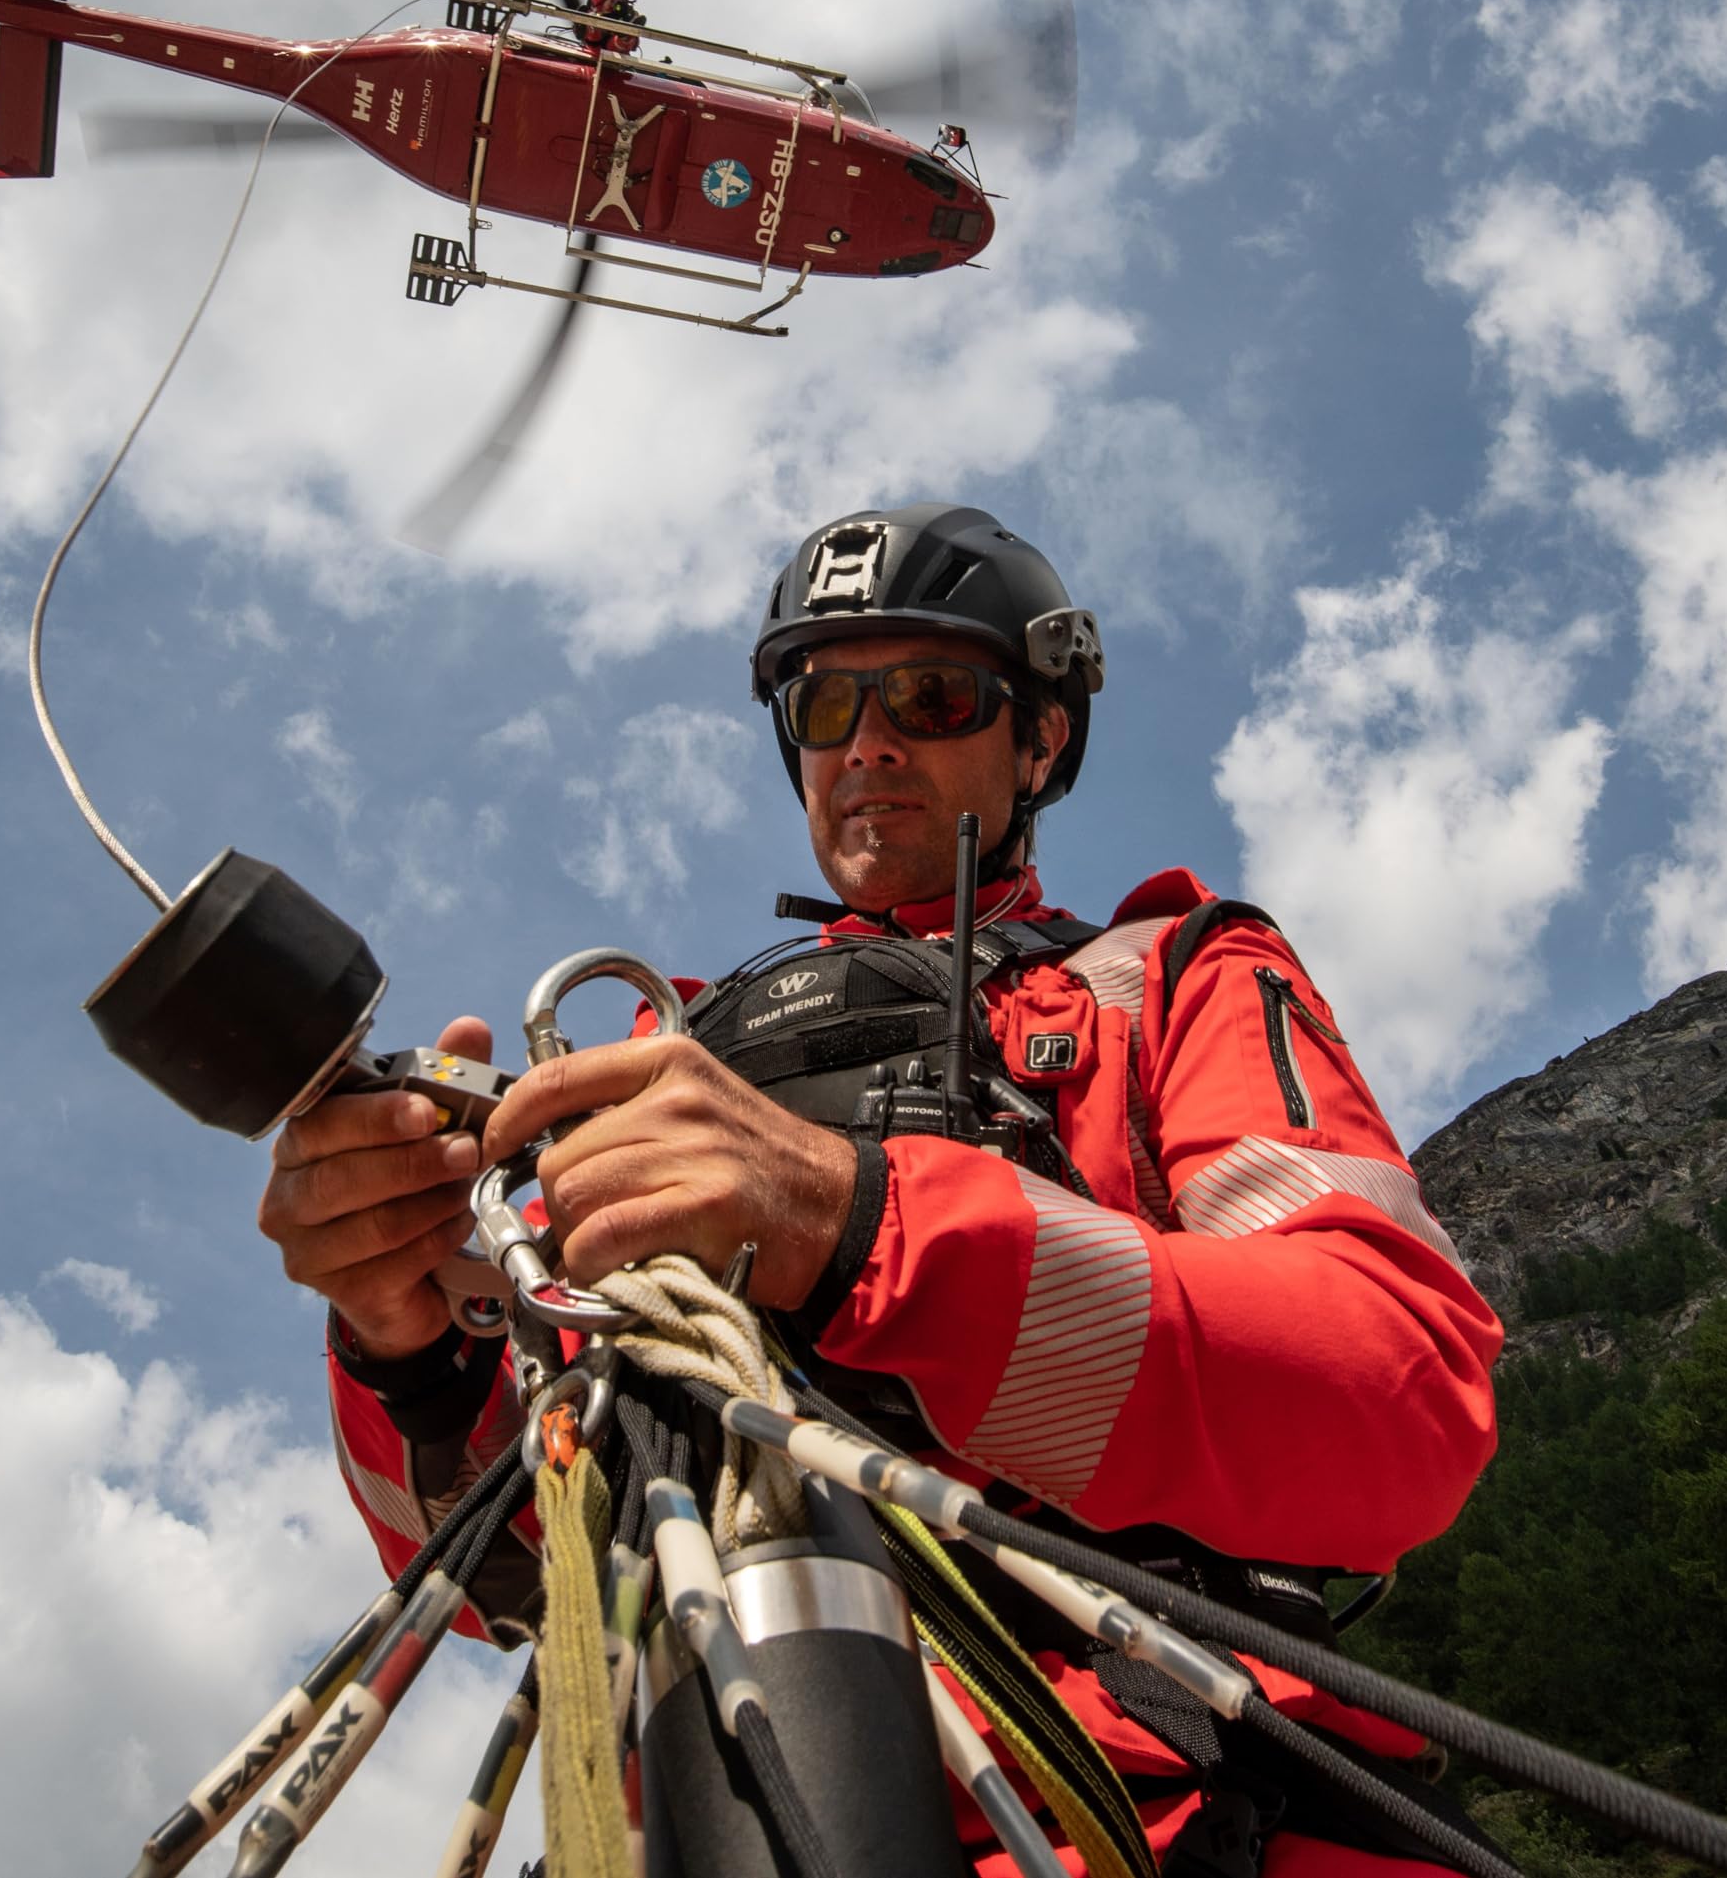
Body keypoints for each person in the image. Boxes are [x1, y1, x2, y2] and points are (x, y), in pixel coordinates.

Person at [257, 502, 1503, 1878]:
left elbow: (1398, 1394)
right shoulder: (662, 1066)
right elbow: (507, 1582)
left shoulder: (1169, 978)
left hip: (1161, 1795)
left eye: (931, 696)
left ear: (1041, 738)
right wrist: (409, 1348)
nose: (866, 743)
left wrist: (860, 1225)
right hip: (717, 1800)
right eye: (825, 704)